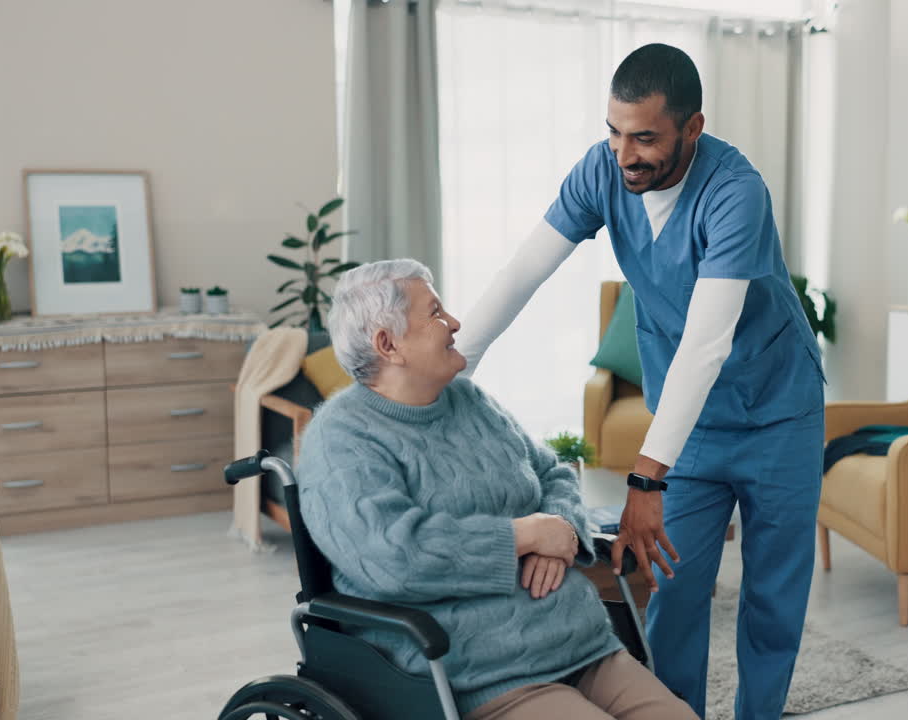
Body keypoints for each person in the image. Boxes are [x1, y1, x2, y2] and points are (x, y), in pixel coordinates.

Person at [454, 44, 825, 719]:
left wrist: (646, 478)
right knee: (676, 591)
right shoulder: (601, 171)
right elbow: (521, 273)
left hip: (778, 412)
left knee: (773, 597)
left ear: (693, 127)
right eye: (614, 132)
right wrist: (457, 363)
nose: (625, 154)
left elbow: (707, 343)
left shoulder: (735, 192)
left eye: (646, 137)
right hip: (691, 424)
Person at [296, 259, 697, 720]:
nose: (455, 323)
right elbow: (394, 556)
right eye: (435, 313)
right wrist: (524, 536)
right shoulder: (343, 438)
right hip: (478, 671)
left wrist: (559, 533)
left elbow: (553, 473)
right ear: (388, 345)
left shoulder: (470, 401)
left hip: (580, 643)